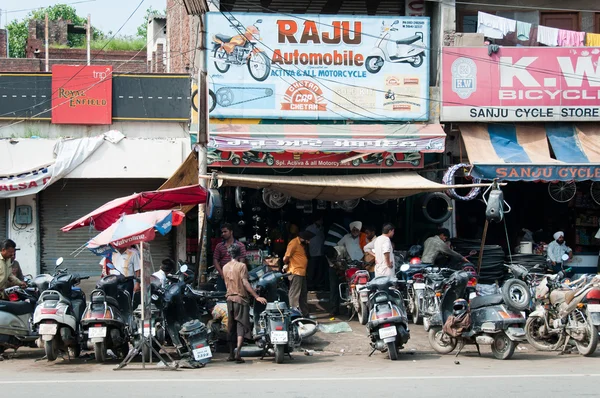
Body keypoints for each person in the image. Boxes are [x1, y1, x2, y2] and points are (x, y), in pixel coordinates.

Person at [223, 244, 266, 364]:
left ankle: (231, 354)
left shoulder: (225, 267)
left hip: (229, 299)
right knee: (241, 327)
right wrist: (256, 296)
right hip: (240, 299)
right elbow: (245, 282)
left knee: (231, 328)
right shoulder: (242, 266)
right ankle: (238, 354)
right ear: (239, 254)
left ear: (229, 254)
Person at [283, 230, 315, 317]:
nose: (309, 241)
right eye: (307, 240)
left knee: (303, 293)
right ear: (302, 238)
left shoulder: (302, 244)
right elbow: (286, 257)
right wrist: (286, 264)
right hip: (295, 272)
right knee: (294, 293)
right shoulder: (293, 243)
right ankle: (292, 314)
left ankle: (305, 314)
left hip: (302, 272)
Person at [213, 223, 247, 292]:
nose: (223, 234)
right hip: (222, 276)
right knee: (221, 296)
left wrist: (236, 273)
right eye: (222, 232)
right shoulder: (219, 246)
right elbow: (215, 260)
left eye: (225, 231)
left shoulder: (240, 245)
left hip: (235, 276)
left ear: (231, 232)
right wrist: (221, 273)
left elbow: (242, 260)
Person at [305, 214, 326, 291]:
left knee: (319, 270)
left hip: (320, 253)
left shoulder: (322, 228)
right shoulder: (310, 228)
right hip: (312, 253)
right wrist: (307, 252)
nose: (322, 221)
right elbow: (305, 242)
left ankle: (318, 284)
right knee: (311, 270)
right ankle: (310, 285)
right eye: (321, 220)